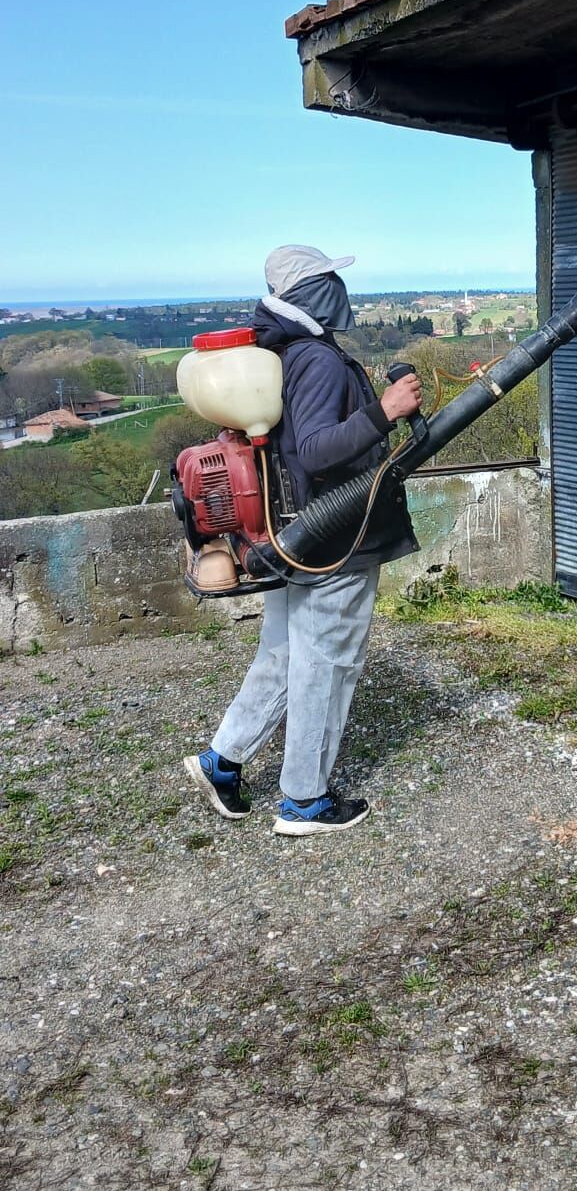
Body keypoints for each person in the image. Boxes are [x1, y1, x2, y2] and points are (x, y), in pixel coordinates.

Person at [182, 244, 421, 836]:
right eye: (332, 279)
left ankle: (223, 761)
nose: (342, 289)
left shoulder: (276, 348)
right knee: (328, 662)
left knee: (285, 654)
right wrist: (385, 411)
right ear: (312, 292)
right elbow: (314, 450)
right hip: (334, 534)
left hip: (293, 533)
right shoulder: (314, 357)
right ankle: (304, 801)